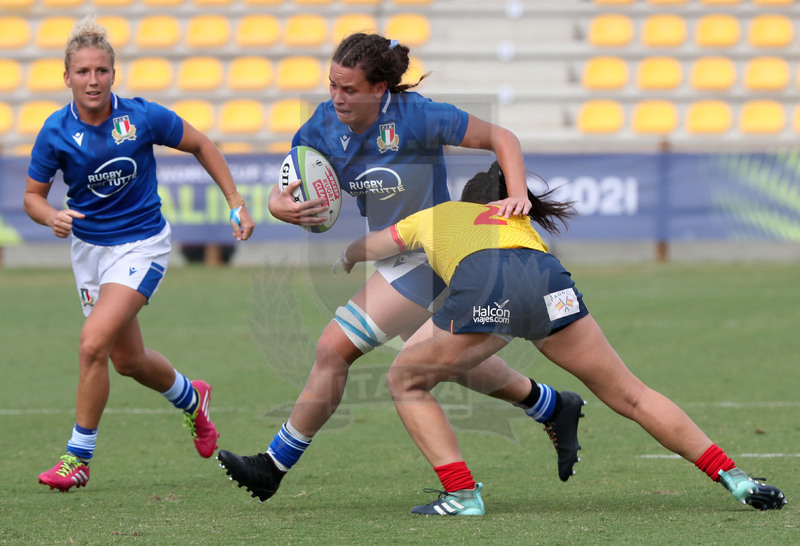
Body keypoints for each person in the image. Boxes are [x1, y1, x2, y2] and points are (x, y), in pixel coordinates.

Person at [217, 33, 584, 501]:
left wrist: (515, 193)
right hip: (397, 253)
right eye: (332, 85)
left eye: (349, 89)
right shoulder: (320, 128)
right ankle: (549, 405)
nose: (336, 97)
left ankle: (274, 464)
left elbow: (500, 137)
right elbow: (292, 184)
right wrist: (276, 205)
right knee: (443, 362)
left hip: (431, 253)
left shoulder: (417, 116)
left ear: (379, 89)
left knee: (335, 347)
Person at [338, 160, 788, 515]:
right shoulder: (517, 220)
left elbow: (374, 246)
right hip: (547, 281)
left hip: (487, 285)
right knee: (631, 394)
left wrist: (347, 252)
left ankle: (461, 495)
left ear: (469, 201)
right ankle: (736, 477)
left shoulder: (439, 215)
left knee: (405, 379)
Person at [24, 15, 255, 492]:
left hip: (142, 245)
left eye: (102, 71)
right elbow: (32, 196)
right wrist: (50, 216)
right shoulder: (54, 133)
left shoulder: (141, 117)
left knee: (92, 344)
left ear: (113, 73)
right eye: (83, 72)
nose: (93, 80)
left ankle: (77, 457)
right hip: (90, 252)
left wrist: (236, 201)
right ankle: (192, 398)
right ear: (66, 76)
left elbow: (201, 143)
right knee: (126, 361)